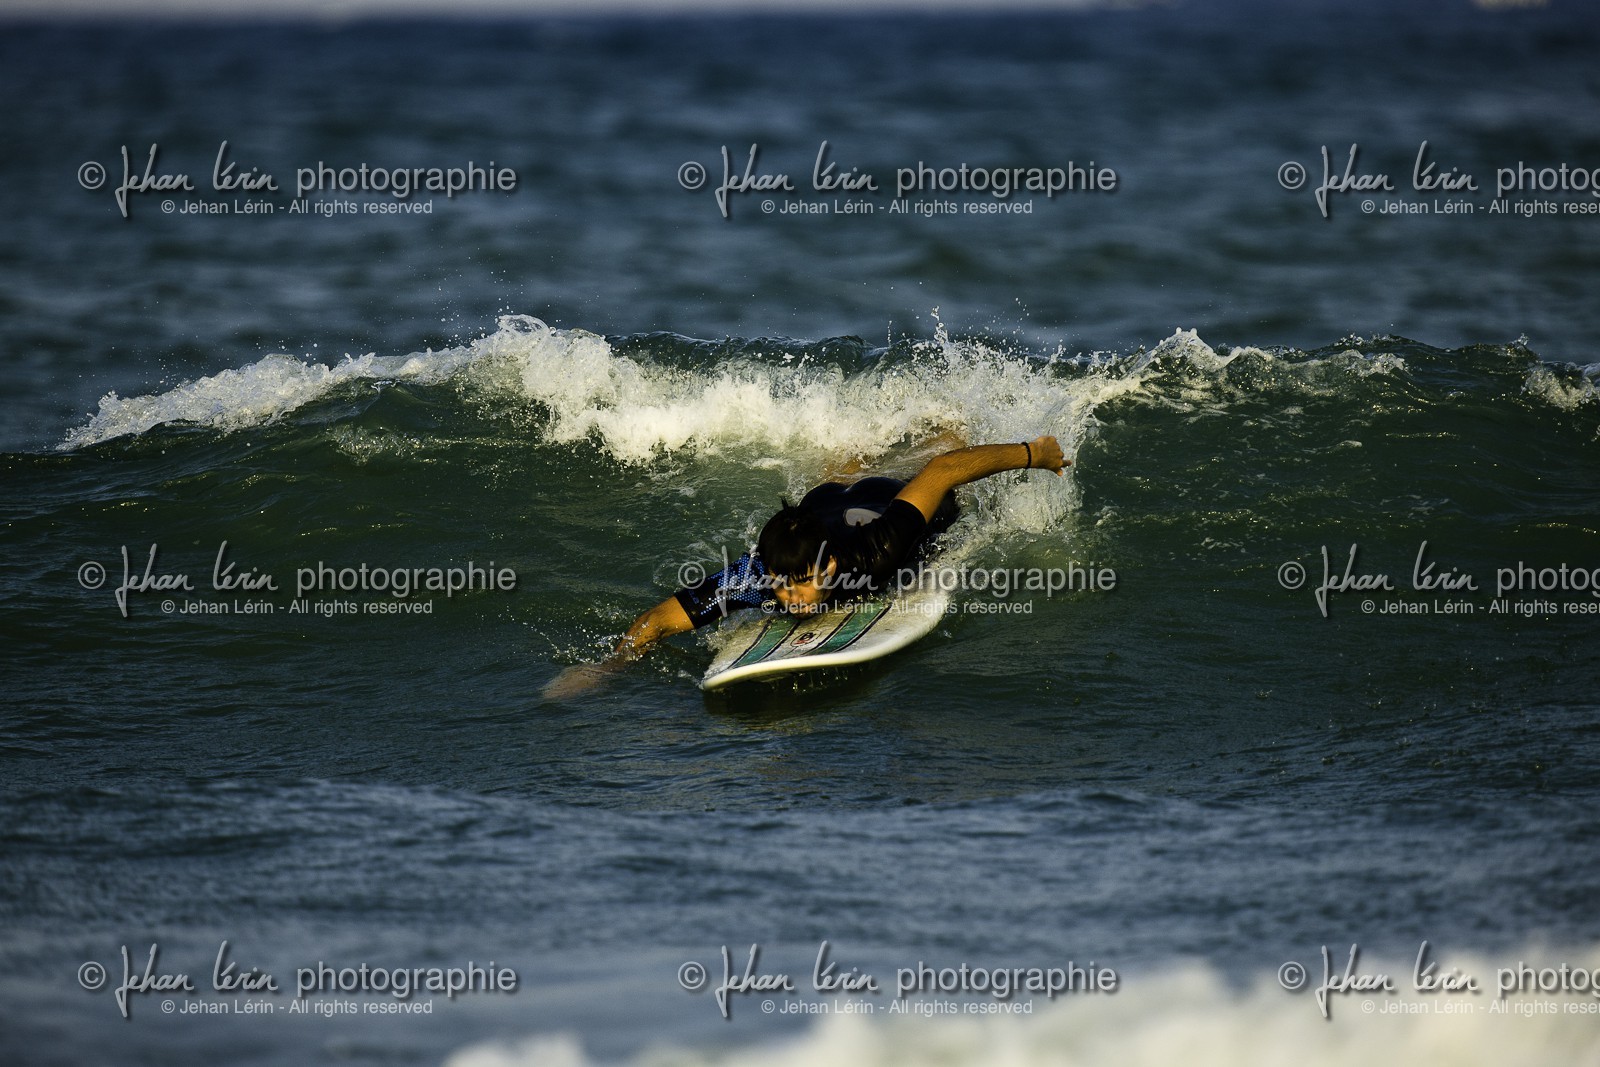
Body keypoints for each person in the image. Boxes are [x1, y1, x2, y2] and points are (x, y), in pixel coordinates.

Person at [542, 435, 1067, 698]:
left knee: (944, 482)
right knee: (832, 483)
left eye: (799, 586)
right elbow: (659, 620)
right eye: (780, 587)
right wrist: (606, 667)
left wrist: (1034, 453)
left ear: (829, 566)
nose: (787, 598)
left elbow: (944, 471)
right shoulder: (759, 577)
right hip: (822, 506)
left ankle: (939, 424)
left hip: (885, 505)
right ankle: (846, 459)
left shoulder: (877, 553)